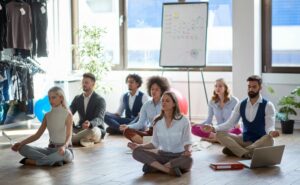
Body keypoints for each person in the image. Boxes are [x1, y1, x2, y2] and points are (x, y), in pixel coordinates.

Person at [203, 75, 280, 158]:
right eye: (249, 87)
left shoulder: (268, 105)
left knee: (269, 139)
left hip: (261, 141)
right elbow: (229, 124)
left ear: (260, 88)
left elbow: (269, 127)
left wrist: (272, 132)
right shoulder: (241, 104)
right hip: (245, 140)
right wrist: (213, 128)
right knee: (219, 134)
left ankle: (238, 151)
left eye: (254, 87)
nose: (251, 89)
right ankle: (246, 153)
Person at [128, 91, 193, 177]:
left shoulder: (184, 121)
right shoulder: (157, 121)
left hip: (178, 156)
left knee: (189, 160)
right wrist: (139, 146)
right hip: (162, 155)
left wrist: (188, 150)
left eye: (167, 101)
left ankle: (156, 167)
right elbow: (154, 144)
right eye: (162, 100)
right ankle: (168, 170)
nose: (163, 103)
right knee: (136, 152)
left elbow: (187, 141)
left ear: (174, 104)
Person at [11, 87, 74, 166]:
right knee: (22, 149)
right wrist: (20, 143)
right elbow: (37, 135)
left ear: (61, 97)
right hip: (50, 150)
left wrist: (64, 147)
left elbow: (69, 135)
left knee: (66, 154)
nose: (51, 101)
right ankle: (53, 161)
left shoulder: (68, 114)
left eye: (53, 97)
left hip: (64, 150)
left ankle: (37, 162)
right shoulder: (47, 116)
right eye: (49, 98)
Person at [120, 76, 170, 144]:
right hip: (150, 132)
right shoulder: (146, 105)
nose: (153, 91)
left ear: (162, 91)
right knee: (127, 131)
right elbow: (140, 124)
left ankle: (147, 144)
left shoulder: (166, 104)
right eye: (152, 89)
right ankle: (150, 144)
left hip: (163, 133)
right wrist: (128, 126)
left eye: (157, 89)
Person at [70, 73, 106, 147]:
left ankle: (71, 140)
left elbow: (99, 118)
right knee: (64, 128)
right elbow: (69, 112)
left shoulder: (100, 100)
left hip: (95, 129)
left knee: (93, 131)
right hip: (80, 129)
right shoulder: (77, 98)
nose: (84, 84)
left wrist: (90, 124)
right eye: (83, 82)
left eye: (86, 82)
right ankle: (83, 140)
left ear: (93, 84)